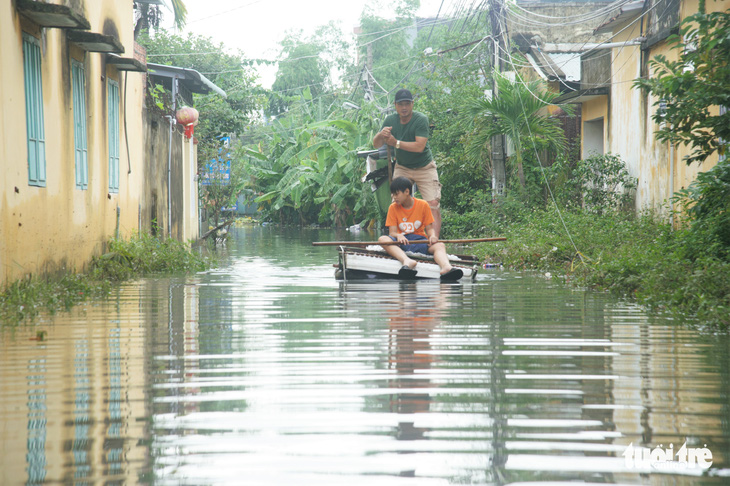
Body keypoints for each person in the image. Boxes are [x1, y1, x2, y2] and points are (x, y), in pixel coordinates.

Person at [373, 88, 443, 237]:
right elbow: (376, 144)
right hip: (403, 167)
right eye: (400, 104)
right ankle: (399, 237)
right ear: (395, 105)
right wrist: (381, 134)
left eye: (407, 104)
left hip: (425, 167)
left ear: (412, 104)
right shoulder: (390, 120)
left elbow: (419, 146)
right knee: (397, 201)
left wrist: (395, 143)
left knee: (433, 204)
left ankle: (433, 240)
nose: (404, 107)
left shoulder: (420, 119)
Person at [378, 176, 463, 281]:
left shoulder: (423, 205)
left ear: (407, 191)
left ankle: (446, 267)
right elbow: (392, 233)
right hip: (401, 242)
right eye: (392, 194)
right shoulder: (393, 207)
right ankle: (406, 261)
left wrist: (432, 236)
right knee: (383, 239)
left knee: (439, 245)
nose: (394, 197)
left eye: (396, 194)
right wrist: (398, 235)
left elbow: (430, 229)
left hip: (419, 241)